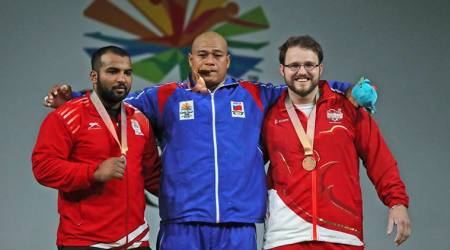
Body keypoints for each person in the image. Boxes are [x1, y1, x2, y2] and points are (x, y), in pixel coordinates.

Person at [43, 32, 367, 250]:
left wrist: (349, 89)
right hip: (182, 223)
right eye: (202, 55)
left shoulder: (254, 95)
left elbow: (301, 83)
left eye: (216, 55)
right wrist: (72, 98)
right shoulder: (166, 96)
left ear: (228, 61)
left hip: (237, 226)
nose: (209, 61)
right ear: (190, 60)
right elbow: (116, 103)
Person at [262, 35, 411, 250]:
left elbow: (379, 159)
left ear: (320, 68)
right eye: (294, 65)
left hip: (342, 235)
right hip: (284, 237)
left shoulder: (347, 108)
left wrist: (397, 202)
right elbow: (244, 162)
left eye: (309, 65)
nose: (302, 71)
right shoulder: (268, 116)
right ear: (282, 70)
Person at [32, 46, 160, 250]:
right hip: (85, 242)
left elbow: (153, 176)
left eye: (127, 73)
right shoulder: (67, 117)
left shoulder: (139, 121)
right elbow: (44, 168)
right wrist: (93, 172)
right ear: (94, 76)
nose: (122, 79)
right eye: (113, 71)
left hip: (136, 241)